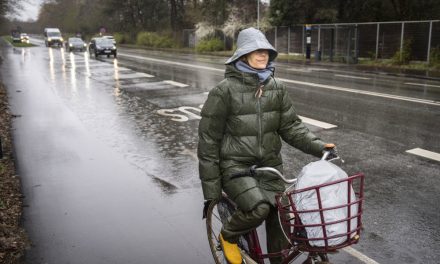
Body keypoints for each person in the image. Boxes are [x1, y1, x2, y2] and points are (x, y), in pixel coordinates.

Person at [198, 27, 336, 264]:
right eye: (256, 50)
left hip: (270, 169)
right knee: (259, 208)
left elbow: (291, 127)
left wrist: (320, 147)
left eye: (266, 51)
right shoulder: (224, 92)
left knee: (282, 215)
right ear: (243, 55)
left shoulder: (277, 88)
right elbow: (208, 141)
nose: (263, 55)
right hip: (236, 169)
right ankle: (228, 236)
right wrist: (211, 194)